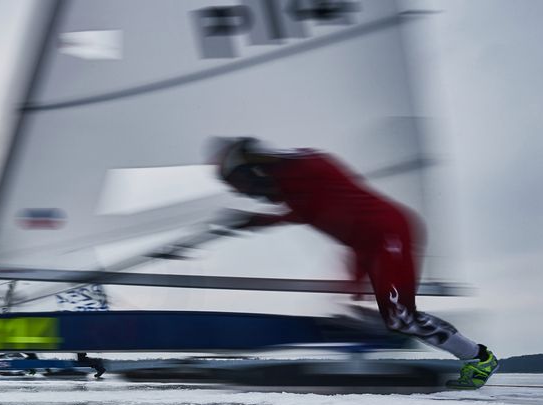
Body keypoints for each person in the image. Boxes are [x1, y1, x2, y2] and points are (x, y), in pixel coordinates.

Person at [209, 137, 498, 389]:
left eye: (245, 186)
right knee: (351, 311)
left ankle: (479, 358)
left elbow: (309, 161)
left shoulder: (303, 168)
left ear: (256, 169)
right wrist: (255, 221)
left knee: (401, 317)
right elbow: (296, 213)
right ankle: (383, 330)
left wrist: (259, 158)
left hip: (388, 236)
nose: (249, 194)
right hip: (362, 247)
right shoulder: (291, 194)